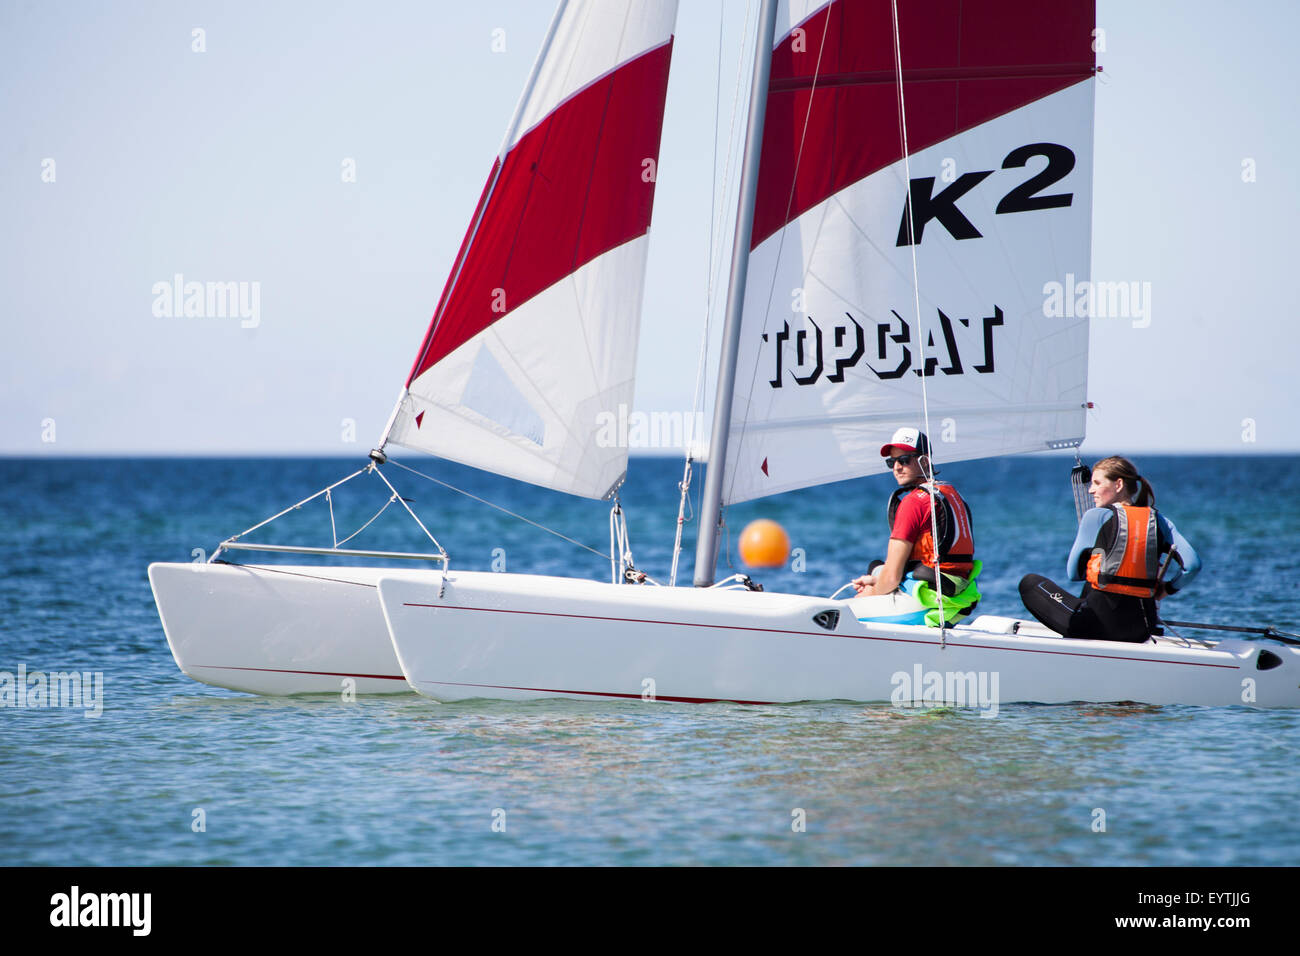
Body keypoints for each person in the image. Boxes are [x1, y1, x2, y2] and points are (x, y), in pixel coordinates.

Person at [1019, 456, 1200, 643]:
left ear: (1118, 484)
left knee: (1030, 583)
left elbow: (1074, 573)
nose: (1091, 490)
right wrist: (1167, 589)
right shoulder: (1160, 521)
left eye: (1097, 483)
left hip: (1096, 626)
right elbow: (1193, 565)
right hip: (1141, 630)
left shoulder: (1095, 517)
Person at [851, 427, 981, 626]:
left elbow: (892, 578)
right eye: (891, 462)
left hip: (927, 602)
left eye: (904, 460)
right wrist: (876, 579)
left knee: (843, 615)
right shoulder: (953, 494)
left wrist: (872, 592)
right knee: (876, 571)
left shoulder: (913, 502)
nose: (897, 467)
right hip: (958, 598)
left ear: (924, 461)